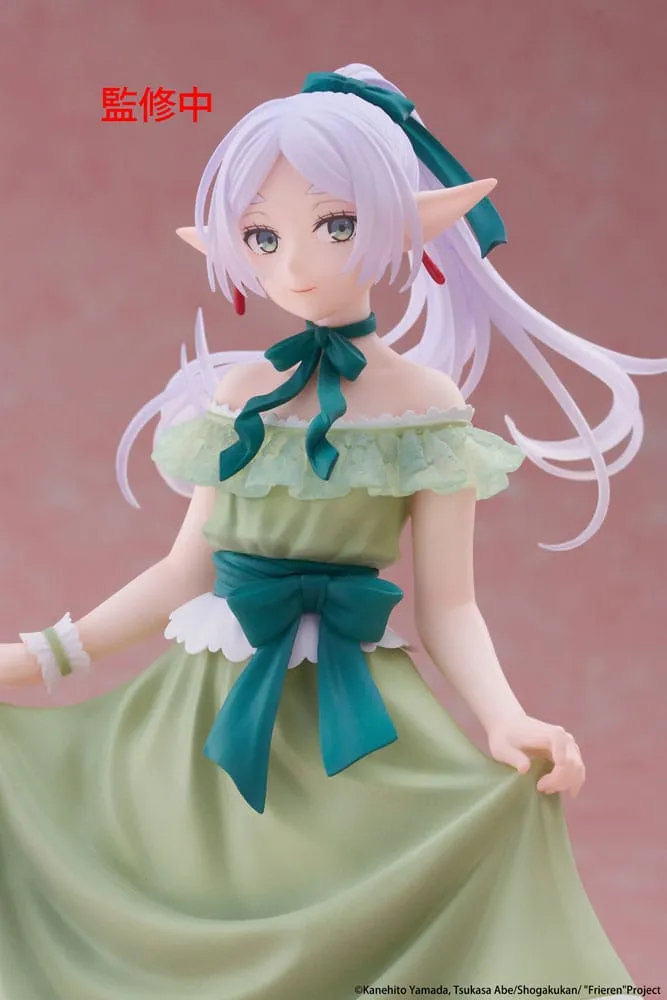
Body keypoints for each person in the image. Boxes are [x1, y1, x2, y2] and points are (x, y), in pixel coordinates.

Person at [0, 62, 661, 999]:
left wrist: (505, 716)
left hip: (356, 714)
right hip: (201, 711)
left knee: (403, 885)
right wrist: (41, 656)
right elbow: (184, 569)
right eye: (261, 237)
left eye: (335, 225)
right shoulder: (239, 397)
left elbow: (451, 607)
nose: (296, 265)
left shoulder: (425, 406)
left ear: (397, 224)